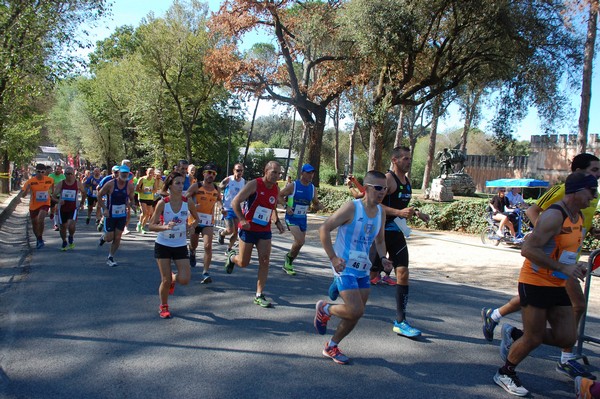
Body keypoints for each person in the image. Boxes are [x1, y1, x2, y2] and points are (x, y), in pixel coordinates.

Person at [482, 153, 600, 380]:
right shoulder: (563, 197)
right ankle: (512, 368)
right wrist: (549, 237)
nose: (598, 176)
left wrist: (577, 251)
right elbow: (532, 213)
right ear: (578, 174)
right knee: (548, 324)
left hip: (561, 269)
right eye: (594, 170)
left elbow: (578, 230)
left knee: (566, 335)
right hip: (543, 271)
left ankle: (503, 322)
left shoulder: (581, 206)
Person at [313, 170, 393, 364]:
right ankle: (325, 309)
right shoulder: (352, 208)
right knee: (356, 310)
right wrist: (333, 258)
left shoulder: (381, 212)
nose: (383, 192)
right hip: (343, 266)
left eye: (386, 188)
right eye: (379, 188)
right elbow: (323, 229)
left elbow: (380, 240)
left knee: (355, 314)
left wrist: (383, 258)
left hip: (362, 268)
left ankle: (331, 346)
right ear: (366, 189)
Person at [379, 146, 430, 337]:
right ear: (395, 160)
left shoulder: (406, 181)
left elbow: (402, 205)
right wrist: (398, 213)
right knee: (367, 276)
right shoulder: (387, 179)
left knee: (403, 273)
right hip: (380, 234)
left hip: (397, 233)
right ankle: (338, 287)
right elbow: (375, 204)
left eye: (409, 158)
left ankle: (400, 321)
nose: (408, 162)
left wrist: (416, 212)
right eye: (405, 159)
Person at [223, 161, 285, 308]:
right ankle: (232, 257)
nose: (276, 176)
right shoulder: (254, 184)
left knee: (265, 260)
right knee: (244, 263)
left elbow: (272, 207)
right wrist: (242, 220)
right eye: (273, 172)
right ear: (266, 171)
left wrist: (277, 222)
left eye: (278, 173)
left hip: (264, 230)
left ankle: (259, 294)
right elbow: (235, 202)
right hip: (248, 229)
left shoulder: (276, 188)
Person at [149, 172, 199, 319]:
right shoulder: (162, 203)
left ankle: (173, 279)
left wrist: (192, 226)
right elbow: (151, 226)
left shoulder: (187, 202)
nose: (180, 186)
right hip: (163, 244)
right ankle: (163, 306)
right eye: (177, 183)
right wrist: (164, 227)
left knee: (184, 279)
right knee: (165, 280)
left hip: (180, 244)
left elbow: (196, 219)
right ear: (170, 185)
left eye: (182, 183)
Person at [278, 163, 323, 275]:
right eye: (308, 172)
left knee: (299, 244)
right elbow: (279, 195)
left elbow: (315, 202)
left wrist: (319, 206)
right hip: (292, 217)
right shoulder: (294, 185)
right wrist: (286, 206)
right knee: (300, 240)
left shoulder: (312, 188)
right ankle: (288, 259)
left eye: (312, 173)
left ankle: (289, 261)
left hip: (303, 218)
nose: (310, 175)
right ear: (302, 173)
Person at [185, 163, 221, 283]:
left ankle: (205, 272)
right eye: (209, 173)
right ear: (204, 174)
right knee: (194, 244)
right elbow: (186, 197)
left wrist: (222, 209)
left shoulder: (216, 189)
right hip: (195, 220)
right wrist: (192, 205)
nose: (211, 175)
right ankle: (192, 252)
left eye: (213, 174)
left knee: (207, 246)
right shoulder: (197, 186)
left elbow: (220, 201)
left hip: (208, 221)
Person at [97, 165, 136, 267]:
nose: (124, 175)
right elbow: (99, 195)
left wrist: (133, 205)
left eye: (126, 173)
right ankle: (103, 238)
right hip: (110, 214)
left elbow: (131, 199)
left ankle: (110, 257)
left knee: (118, 236)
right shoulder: (110, 184)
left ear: (128, 174)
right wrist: (104, 209)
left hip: (121, 215)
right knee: (110, 237)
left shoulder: (130, 186)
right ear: (119, 173)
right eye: (122, 173)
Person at [21, 164, 54, 249]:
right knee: (34, 223)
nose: (40, 174)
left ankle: (40, 239)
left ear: (45, 172)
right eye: (38, 172)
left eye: (42, 172)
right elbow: (23, 195)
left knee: (40, 219)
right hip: (33, 205)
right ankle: (39, 239)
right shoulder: (30, 181)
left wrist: (53, 196)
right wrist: (27, 189)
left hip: (45, 203)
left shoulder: (50, 180)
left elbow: (53, 189)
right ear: (36, 171)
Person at [53, 166, 86, 250]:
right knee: (63, 226)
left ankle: (71, 236)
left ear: (73, 174)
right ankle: (64, 241)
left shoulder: (78, 183)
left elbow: (84, 193)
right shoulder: (61, 183)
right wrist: (58, 201)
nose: (69, 175)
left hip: (73, 208)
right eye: (67, 174)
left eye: (71, 174)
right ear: (64, 174)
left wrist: (82, 203)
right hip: (62, 208)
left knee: (71, 225)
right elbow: (53, 196)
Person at [217, 163, 246, 251]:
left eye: (241, 170)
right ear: (234, 171)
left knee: (236, 231)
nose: (239, 172)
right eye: (238, 170)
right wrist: (220, 206)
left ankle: (229, 248)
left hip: (237, 209)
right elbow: (218, 190)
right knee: (230, 230)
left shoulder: (243, 181)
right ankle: (221, 234)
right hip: (227, 209)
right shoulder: (229, 180)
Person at [135, 167, 159, 234]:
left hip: (150, 198)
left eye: (152, 173)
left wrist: (151, 190)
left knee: (148, 214)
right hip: (142, 198)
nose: (151, 174)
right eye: (149, 172)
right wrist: (142, 190)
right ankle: (139, 223)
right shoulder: (142, 179)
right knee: (144, 212)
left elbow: (155, 190)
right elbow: (136, 189)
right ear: (146, 172)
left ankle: (142, 227)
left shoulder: (154, 180)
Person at [48, 164, 65, 231]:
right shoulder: (50, 176)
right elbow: (48, 185)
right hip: (52, 195)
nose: (58, 170)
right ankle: (51, 213)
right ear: (54, 169)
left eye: (59, 169)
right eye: (57, 169)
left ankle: (56, 224)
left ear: (61, 170)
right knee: (53, 209)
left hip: (60, 195)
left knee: (57, 209)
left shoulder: (63, 176)